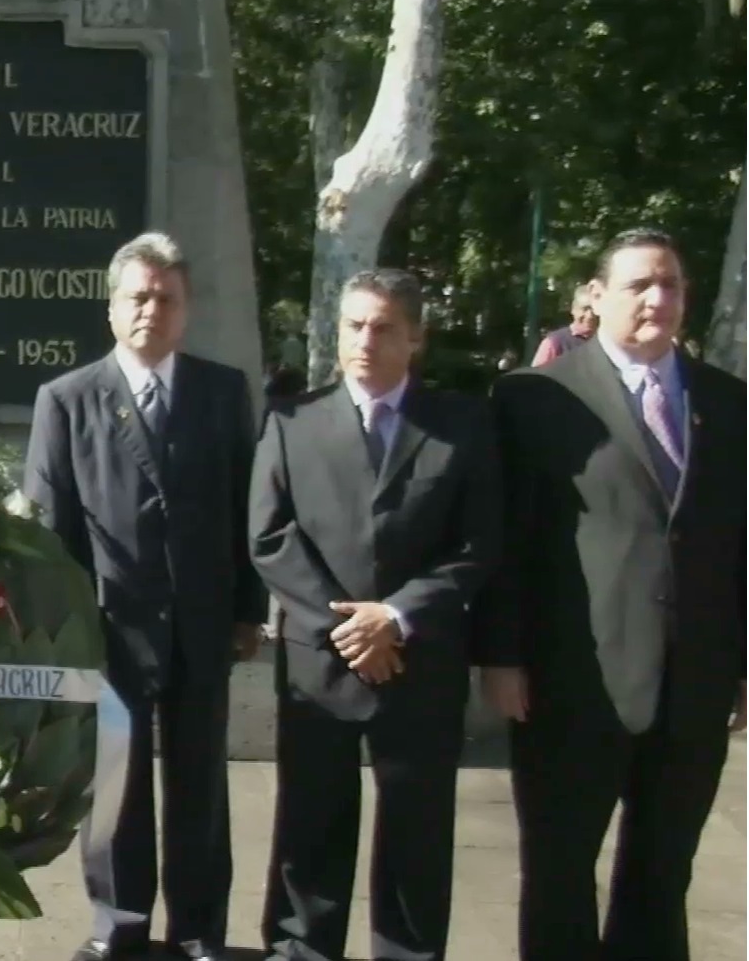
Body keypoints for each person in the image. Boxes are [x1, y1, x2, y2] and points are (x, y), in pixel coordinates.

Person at [480, 228, 746, 961]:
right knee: (561, 874)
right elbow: (507, 540)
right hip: (573, 681)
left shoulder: (730, 404)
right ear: (596, 298)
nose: (659, 298)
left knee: (661, 875)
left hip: (693, 685)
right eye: (640, 284)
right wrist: (500, 656)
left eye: (672, 285)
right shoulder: (534, 398)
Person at [24, 233, 265, 961]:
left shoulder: (222, 392)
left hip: (202, 623)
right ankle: (118, 927)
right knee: (116, 789)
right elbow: (50, 526)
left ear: (186, 310)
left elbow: (245, 506)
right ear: (111, 308)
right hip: (110, 628)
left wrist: (249, 609)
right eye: (138, 297)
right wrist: (64, 631)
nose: (151, 311)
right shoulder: (65, 400)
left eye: (166, 299)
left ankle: (198, 932)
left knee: (199, 790)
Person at [249, 269, 501, 961]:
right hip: (320, 662)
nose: (366, 340)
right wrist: (351, 628)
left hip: (421, 660)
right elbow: (271, 537)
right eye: (354, 325)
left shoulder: (463, 425)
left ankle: (409, 951)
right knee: (311, 821)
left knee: (417, 828)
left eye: (384, 326)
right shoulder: (291, 420)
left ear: (415, 337)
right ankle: (303, 947)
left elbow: (480, 543)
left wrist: (395, 615)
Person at [529, 279, 599, 366]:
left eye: (594, 309)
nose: (590, 315)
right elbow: (536, 377)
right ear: (574, 310)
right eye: (584, 309)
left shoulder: (606, 342)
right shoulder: (555, 343)